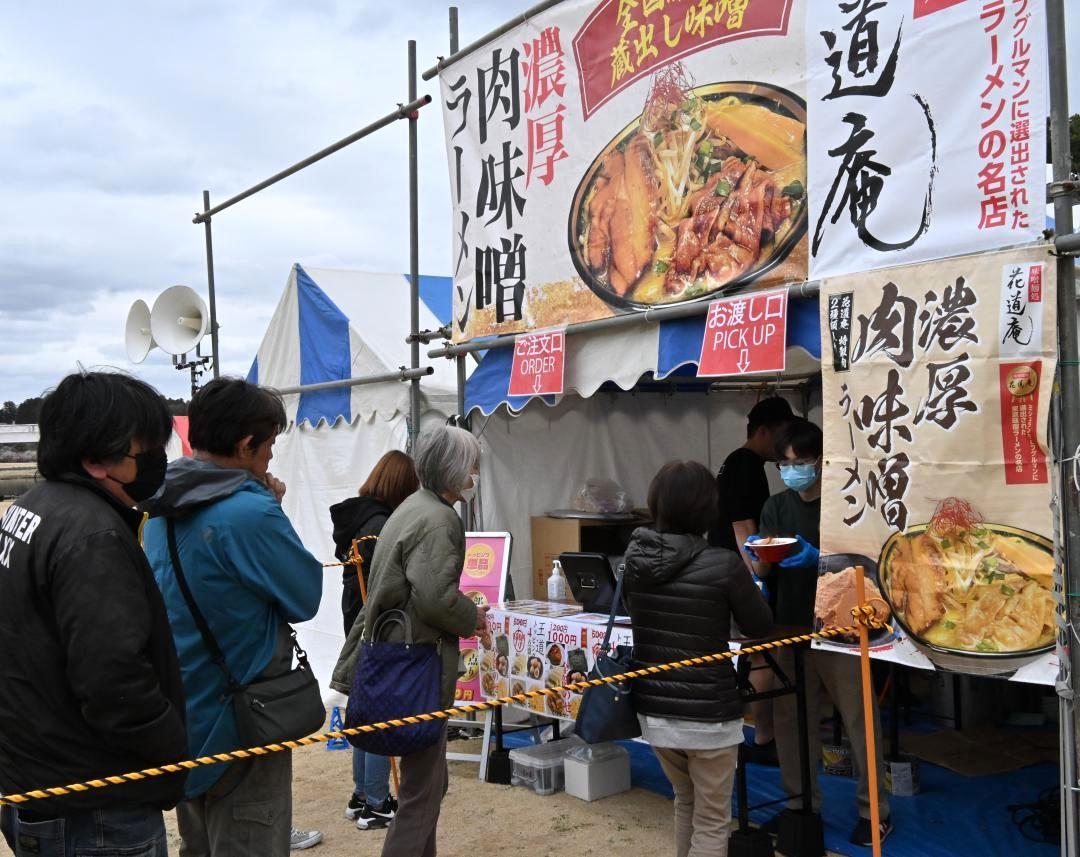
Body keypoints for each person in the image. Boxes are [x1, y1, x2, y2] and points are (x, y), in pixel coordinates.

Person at [0, 372, 187, 856]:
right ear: (95, 460)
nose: (155, 460)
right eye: (143, 449)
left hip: (40, 781)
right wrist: (172, 748)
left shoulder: (32, 507)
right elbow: (113, 682)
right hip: (95, 804)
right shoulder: (92, 536)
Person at [142, 378, 324, 857]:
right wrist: (272, 507)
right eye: (268, 446)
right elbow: (304, 596)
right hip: (242, 721)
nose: (269, 459)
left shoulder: (160, 507)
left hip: (187, 715)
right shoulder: (247, 512)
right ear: (246, 445)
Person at [332, 424, 487, 857]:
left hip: (395, 655)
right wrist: (472, 616)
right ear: (455, 469)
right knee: (422, 791)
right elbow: (436, 598)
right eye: (471, 464)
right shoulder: (439, 518)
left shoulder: (411, 507)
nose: (475, 472)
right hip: (417, 663)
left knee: (429, 786)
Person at [753, 418, 892, 847]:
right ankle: (800, 805)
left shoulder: (843, 500)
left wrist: (818, 559)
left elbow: (864, 563)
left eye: (801, 461)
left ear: (820, 460)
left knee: (857, 717)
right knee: (793, 720)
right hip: (790, 622)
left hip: (842, 626)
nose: (793, 470)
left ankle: (875, 812)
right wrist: (760, 555)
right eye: (784, 463)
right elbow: (761, 567)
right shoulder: (776, 505)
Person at [624, 460, 774, 857]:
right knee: (711, 820)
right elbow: (760, 624)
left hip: (654, 710)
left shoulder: (635, 561)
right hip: (709, 714)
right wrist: (762, 578)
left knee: (684, 800)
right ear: (709, 508)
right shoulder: (723, 564)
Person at [330, 449, 419, 830]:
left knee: (365, 709)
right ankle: (378, 800)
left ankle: (364, 794)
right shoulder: (381, 524)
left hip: (356, 616)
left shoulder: (360, 516)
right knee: (381, 712)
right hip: (377, 623)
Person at [709, 396, 793, 763]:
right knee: (761, 655)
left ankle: (757, 735)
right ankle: (764, 737)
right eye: (782, 436)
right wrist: (760, 573)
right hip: (741, 573)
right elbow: (743, 527)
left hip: (727, 571)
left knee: (753, 656)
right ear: (764, 431)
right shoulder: (745, 466)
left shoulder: (735, 463)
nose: (786, 447)